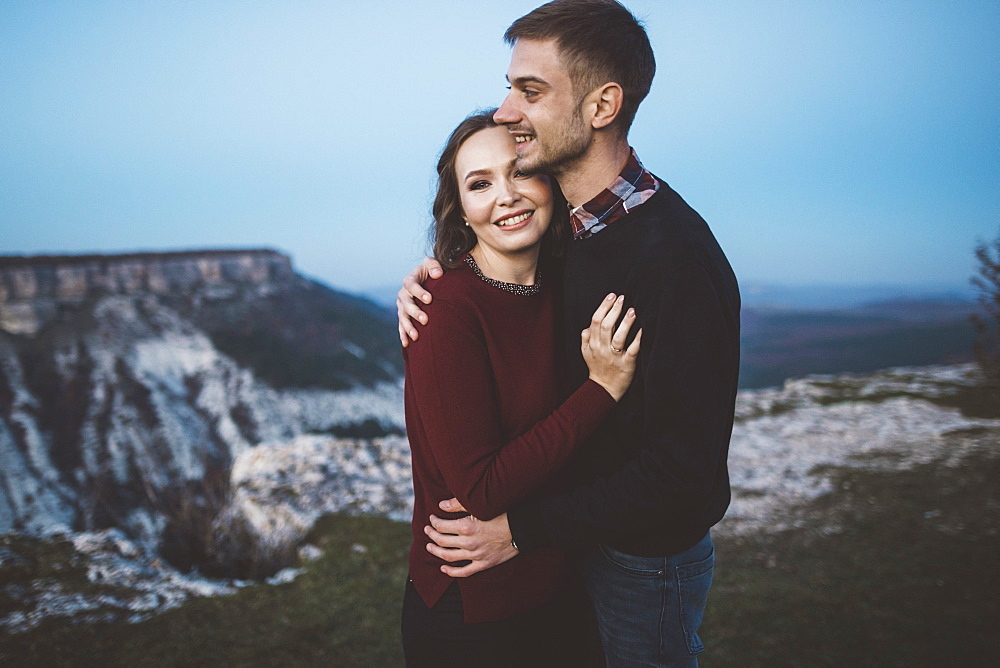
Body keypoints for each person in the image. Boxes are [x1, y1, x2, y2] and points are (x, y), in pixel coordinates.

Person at [397, 1, 741, 665]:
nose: (506, 111)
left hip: (645, 561)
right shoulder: (570, 236)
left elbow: (688, 476)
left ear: (602, 105)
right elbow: (499, 289)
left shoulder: (675, 257)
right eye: (508, 87)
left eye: (530, 91)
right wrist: (438, 275)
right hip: (570, 558)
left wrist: (524, 530)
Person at [400, 109, 642, 667]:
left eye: (521, 171)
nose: (505, 196)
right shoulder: (445, 311)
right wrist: (600, 391)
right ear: (460, 208)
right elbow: (482, 490)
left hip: (561, 586)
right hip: (474, 609)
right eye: (479, 184)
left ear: (550, 178)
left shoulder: (567, 284)